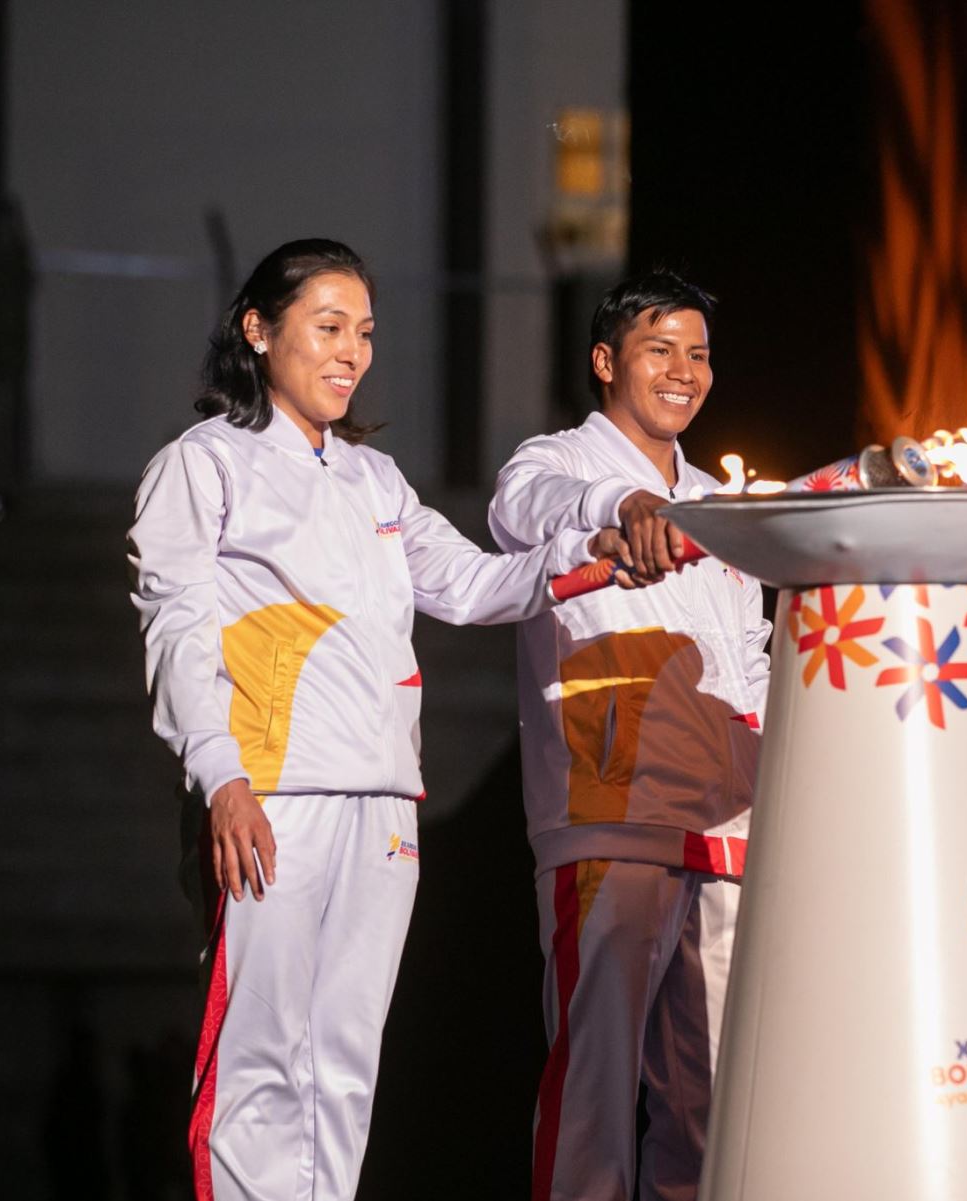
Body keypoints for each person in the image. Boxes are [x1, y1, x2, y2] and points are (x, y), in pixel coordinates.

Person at [128, 238, 634, 1201]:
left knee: (343, 1064)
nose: (351, 352)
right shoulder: (204, 465)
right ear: (257, 329)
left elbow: (476, 585)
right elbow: (178, 631)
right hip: (270, 798)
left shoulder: (375, 480)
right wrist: (222, 778)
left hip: (384, 803)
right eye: (327, 328)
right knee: (259, 1060)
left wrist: (594, 552)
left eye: (363, 332)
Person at [488, 270, 772, 1201]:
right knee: (595, 1101)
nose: (685, 371)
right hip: (610, 816)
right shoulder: (555, 464)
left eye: (699, 353)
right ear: (608, 360)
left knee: (716, 1110)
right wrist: (618, 513)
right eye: (662, 350)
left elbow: (753, 659)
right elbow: (519, 512)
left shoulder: (719, 504)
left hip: (725, 828)